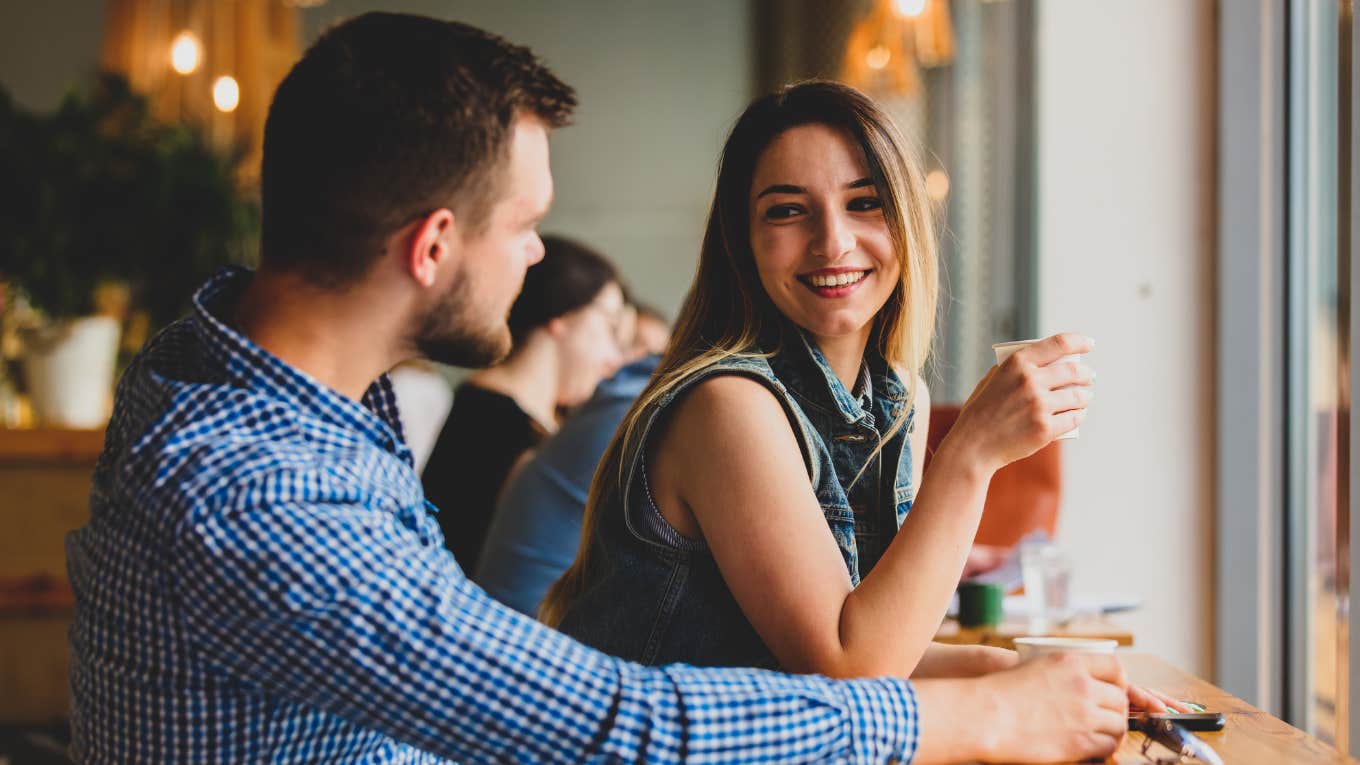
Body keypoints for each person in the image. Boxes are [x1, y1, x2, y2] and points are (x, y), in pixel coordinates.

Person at [65, 12, 1135, 763]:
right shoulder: (261, 491)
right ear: (434, 245)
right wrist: (983, 722)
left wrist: (1009, 689)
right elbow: (618, 729)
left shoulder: (244, 384)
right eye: (526, 225)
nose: (540, 259)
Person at [543, 81, 1182, 711]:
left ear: (905, 221)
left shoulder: (898, 397)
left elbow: (885, 648)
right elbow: (851, 674)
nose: (833, 242)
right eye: (788, 210)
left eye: (865, 202)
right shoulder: (728, 406)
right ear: (743, 240)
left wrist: (1036, 675)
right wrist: (971, 454)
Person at [422, 234, 626, 571]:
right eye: (610, 327)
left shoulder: (502, 412)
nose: (614, 357)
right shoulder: (491, 423)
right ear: (562, 314)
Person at [476, 306, 670, 616]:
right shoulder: (640, 404)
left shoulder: (616, 404)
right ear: (561, 321)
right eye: (616, 334)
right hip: (519, 629)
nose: (613, 362)